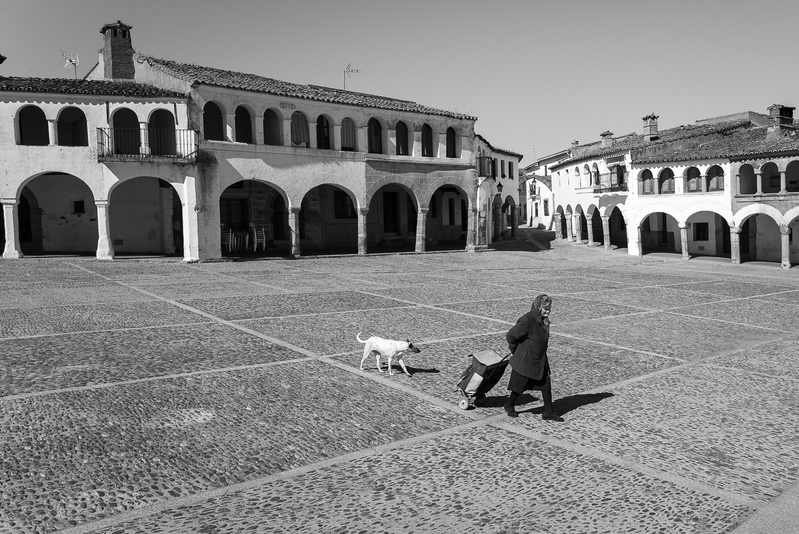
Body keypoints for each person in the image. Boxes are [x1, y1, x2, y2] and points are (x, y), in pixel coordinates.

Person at [504, 294, 563, 421]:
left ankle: (548, 411)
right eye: (545, 309)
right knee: (518, 387)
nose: (548, 312)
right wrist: (516, 351)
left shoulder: (543, 320)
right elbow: (511, 336)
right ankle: (509, 405)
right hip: (525, 362)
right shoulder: (527, 320)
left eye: (549, 309)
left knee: (546, 384)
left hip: (539, 360)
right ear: (538, 307)